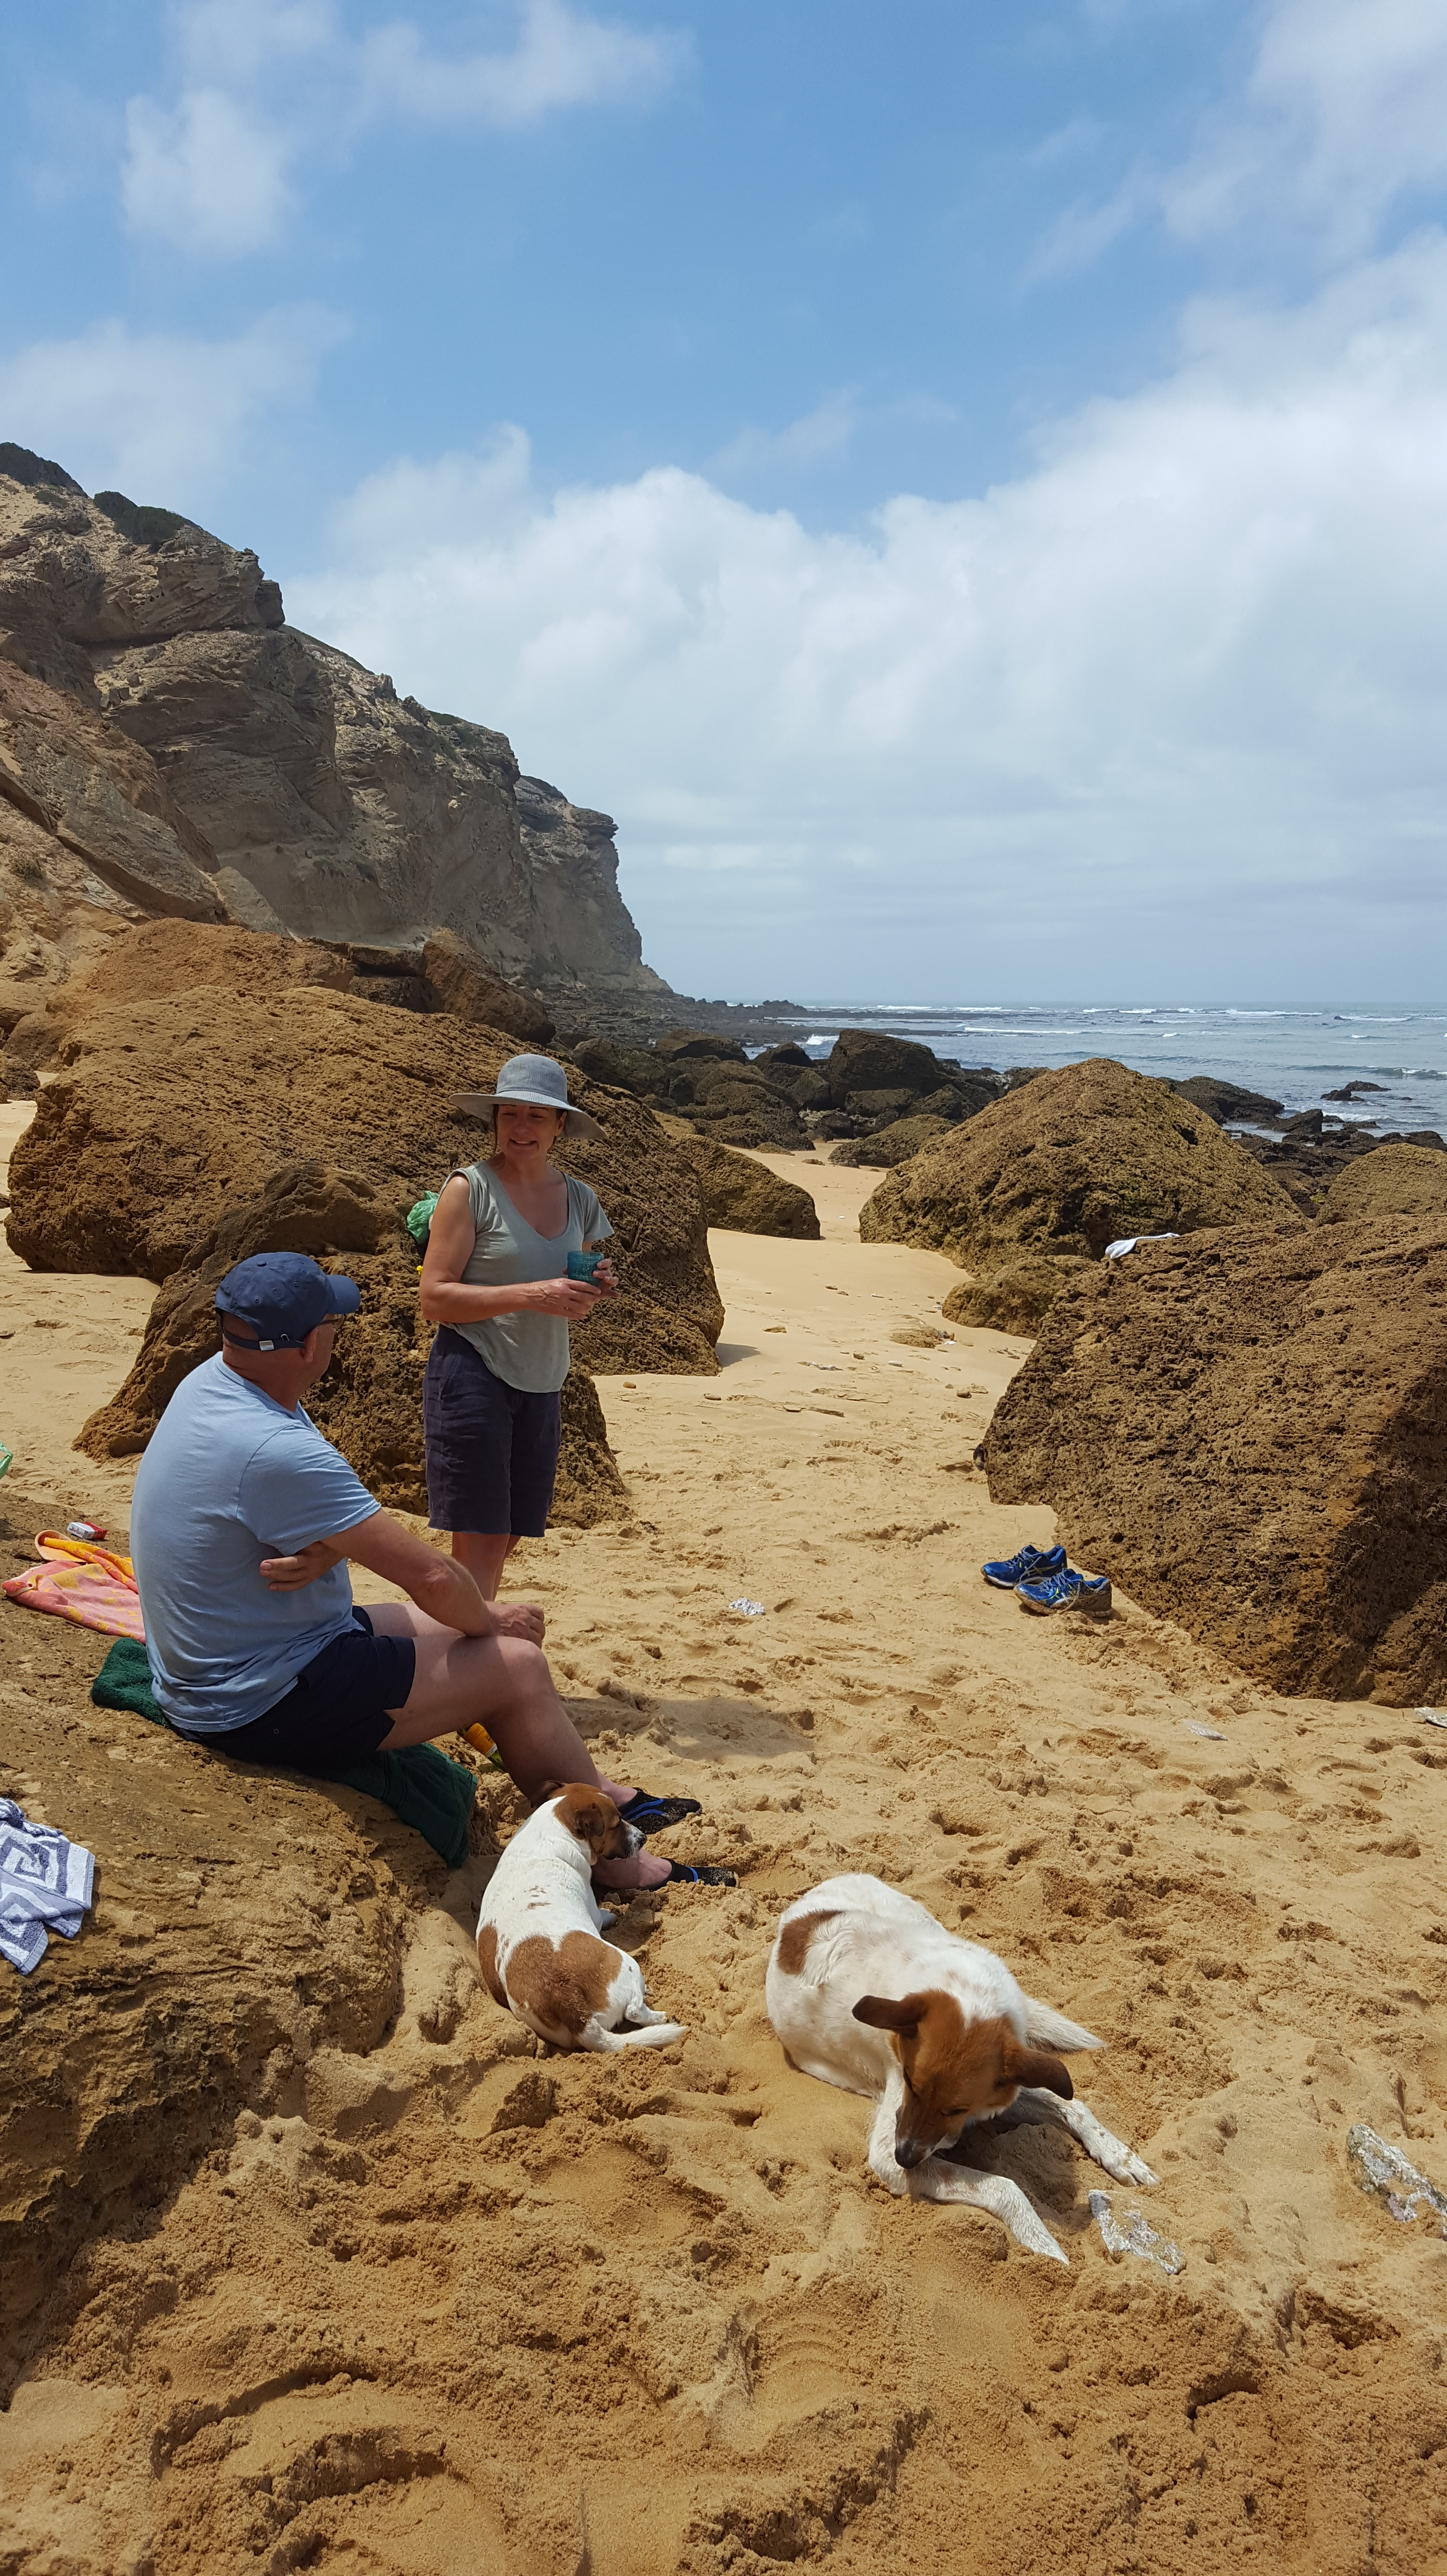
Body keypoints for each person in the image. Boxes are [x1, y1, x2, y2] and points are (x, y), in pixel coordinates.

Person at [128, 1250, 675, 1891]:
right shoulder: (275, 1446)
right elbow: (432, 1578)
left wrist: (330, 1549)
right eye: (333, 1322)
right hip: (254, 1699)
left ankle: (594, 1789)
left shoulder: (214, 1383)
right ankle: (617, 1867)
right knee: (517, 1664)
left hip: (229, 1657)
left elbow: (281, 1511)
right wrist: (490, 1618)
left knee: (474, 1631)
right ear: (308, 1345)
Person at [419, 1052, 614, 1599]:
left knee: (506, 1535)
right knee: (481, 1540)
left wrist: (593, 1287)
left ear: (560, 1126)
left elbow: (573, 1284)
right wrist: (532, 1294)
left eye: (536, 1116)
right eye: (509, 1114)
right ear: (495, 1119)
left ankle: (458, 1625)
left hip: (544, 1378)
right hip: (473, 1371)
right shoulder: (468, 1189)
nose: (520, 1128)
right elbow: (434, 1297)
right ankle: (473, 1642)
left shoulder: (580, 1198)